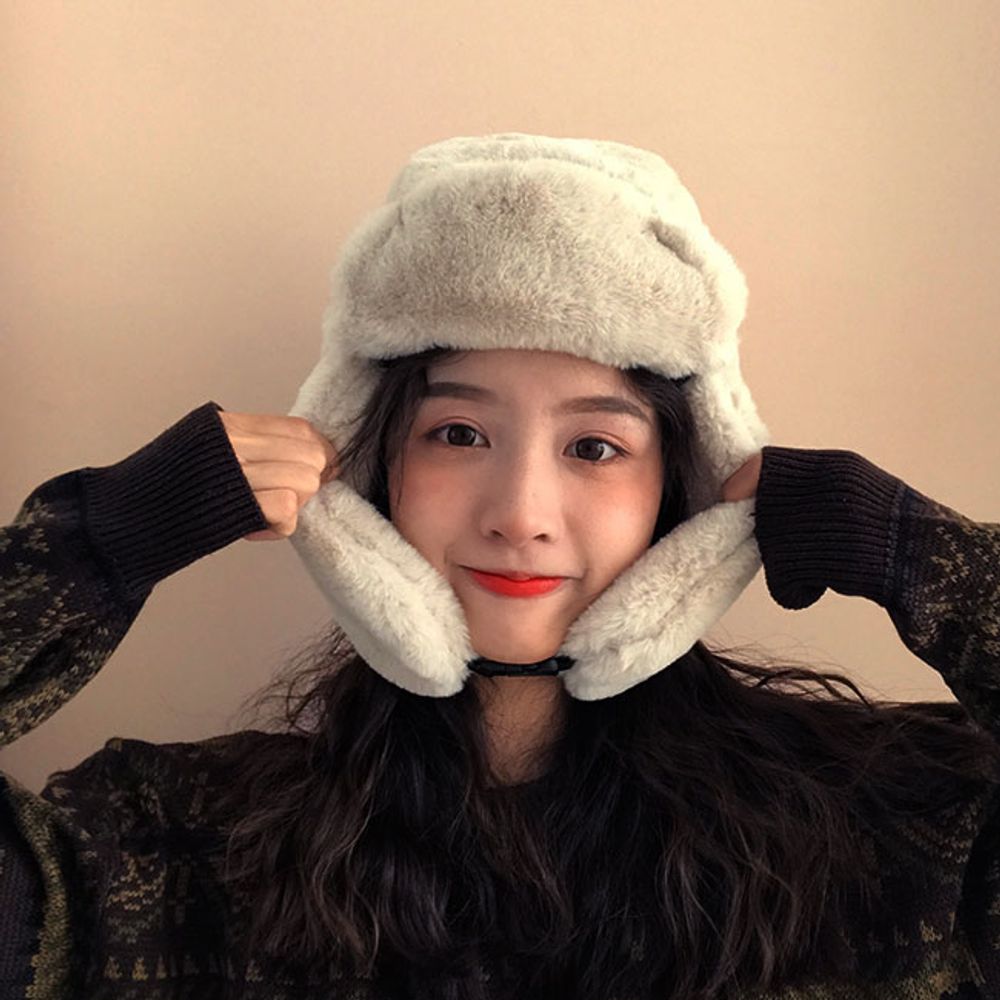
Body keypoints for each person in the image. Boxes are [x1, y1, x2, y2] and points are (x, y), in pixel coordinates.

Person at [1, 134, 999, 1000]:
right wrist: (108, 539)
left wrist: (914, 555)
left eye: (595, 447)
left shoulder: (899, 830)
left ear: (684, 495)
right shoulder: (159, 850)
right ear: (366, 474)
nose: (520, 515)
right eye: (458, 433)